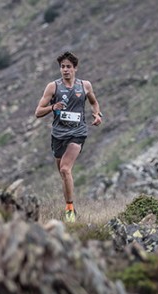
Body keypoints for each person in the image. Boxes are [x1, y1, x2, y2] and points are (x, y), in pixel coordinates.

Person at [35, 51, 103, 223]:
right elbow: (38, 112)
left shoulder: (85, 85)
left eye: (68, 67)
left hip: (78, 132)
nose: (65, 70)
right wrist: (53, 107)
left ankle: (70, 211)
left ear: (75, 69)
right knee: (63, 174)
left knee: (66, 169)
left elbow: (94, 102)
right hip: (58, 134)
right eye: (62, 67)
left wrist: (97, 114)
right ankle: (68, 203)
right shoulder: (53, 87)